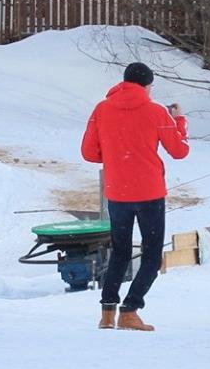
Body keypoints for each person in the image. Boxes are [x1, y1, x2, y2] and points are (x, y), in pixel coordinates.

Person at [80, 62, 189, 330]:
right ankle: (130, 309)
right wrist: (179, 122)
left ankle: (107, 312)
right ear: (147, 85)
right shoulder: (156, 112)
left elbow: (89, 153)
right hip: (149, 191)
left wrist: (116, 155)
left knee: (120, 251)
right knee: (152, 255)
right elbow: (179, 150)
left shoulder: (102, 109)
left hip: (118, 191)